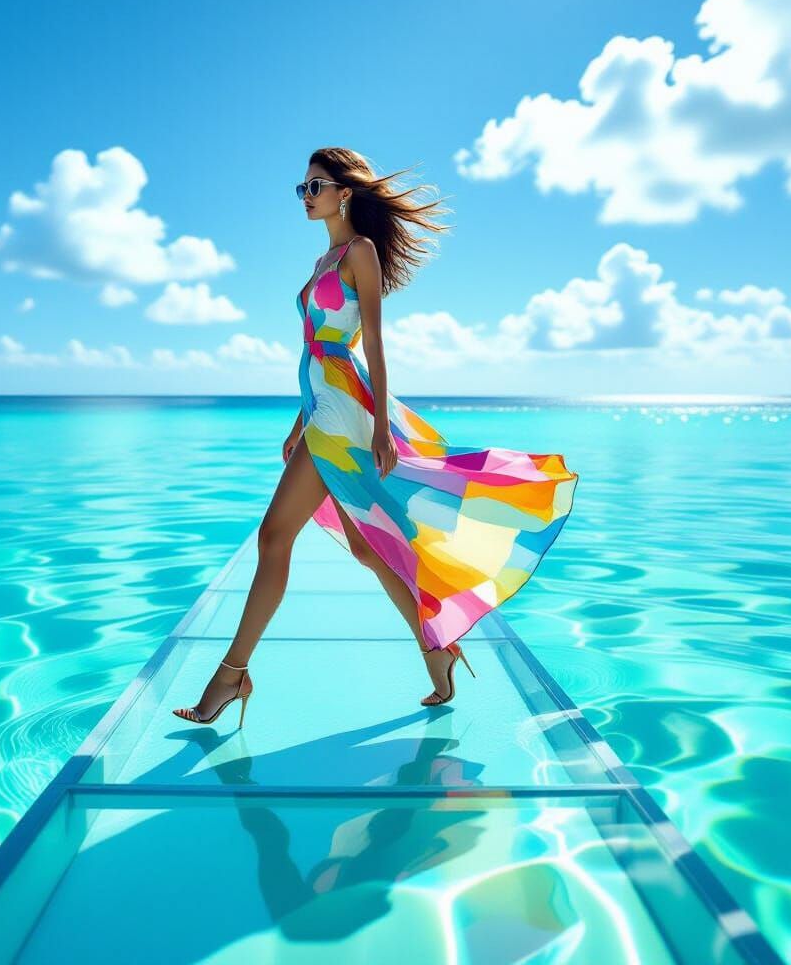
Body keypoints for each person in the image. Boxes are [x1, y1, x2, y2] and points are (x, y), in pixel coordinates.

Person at [173, 147, 578, 727]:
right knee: (366, 545)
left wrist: (383, 427)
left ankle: (231, 676)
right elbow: (313, 350)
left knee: (273, 537)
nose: (306, 196)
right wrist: (298, 422)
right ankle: (437, 650)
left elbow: (373, 348)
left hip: (346, 414)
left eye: (316, 186)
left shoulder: (360, 254)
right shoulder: (321, 262)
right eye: (302, 188)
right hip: (322, 411)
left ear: (345, 193)